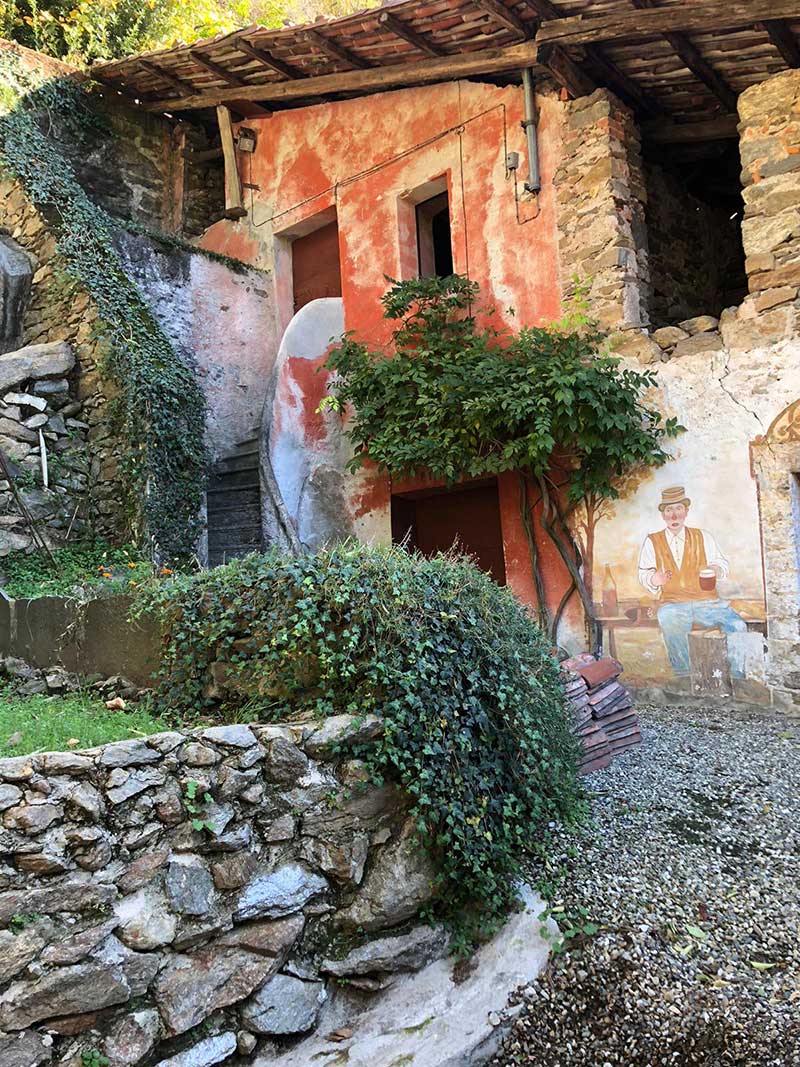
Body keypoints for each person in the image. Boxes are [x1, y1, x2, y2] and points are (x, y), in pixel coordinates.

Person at [638, 485, 747, 677]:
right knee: (668, 619)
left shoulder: (703, 536)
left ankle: (737, 675)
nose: (674, 515)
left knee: (738, 625)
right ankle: (683, 675)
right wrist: (654, 579)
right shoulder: (652, 541)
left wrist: (716, 569)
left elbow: (722, 563)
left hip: (708, 603)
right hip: (673, 604)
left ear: (686, 511)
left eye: (678, 508)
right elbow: (644, 573)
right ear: (663, 514)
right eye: (669, 510)